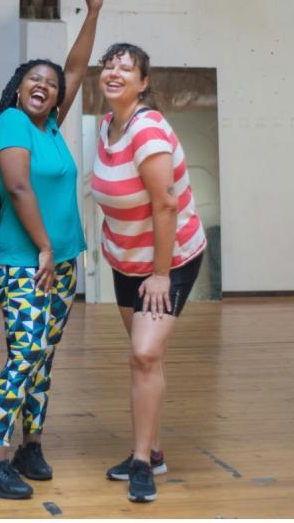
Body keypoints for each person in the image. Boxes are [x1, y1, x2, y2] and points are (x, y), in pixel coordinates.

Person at [0, 0, 103, 500]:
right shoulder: (10, 123)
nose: (45, 84)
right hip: (28, 260)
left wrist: (92, 13)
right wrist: (45, 246)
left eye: (51, 83)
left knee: (42, 357)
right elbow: (20, 186)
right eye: (34, 79)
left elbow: (75, 69)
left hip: (63, 259)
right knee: (24, 353)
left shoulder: (49, 125)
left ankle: (31, 444)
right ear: (18, 86)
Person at [91, 42, 206, 503]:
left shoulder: (148, 130)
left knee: (142, 353)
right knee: (147, 359)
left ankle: (142, 463)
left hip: (169, 258)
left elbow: (166, 204)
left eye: (126, 67)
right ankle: (152, 450)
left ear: (143, 83)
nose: (114, 72)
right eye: (109, 65)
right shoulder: (105, 127)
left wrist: (160, 274)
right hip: (125, 257)